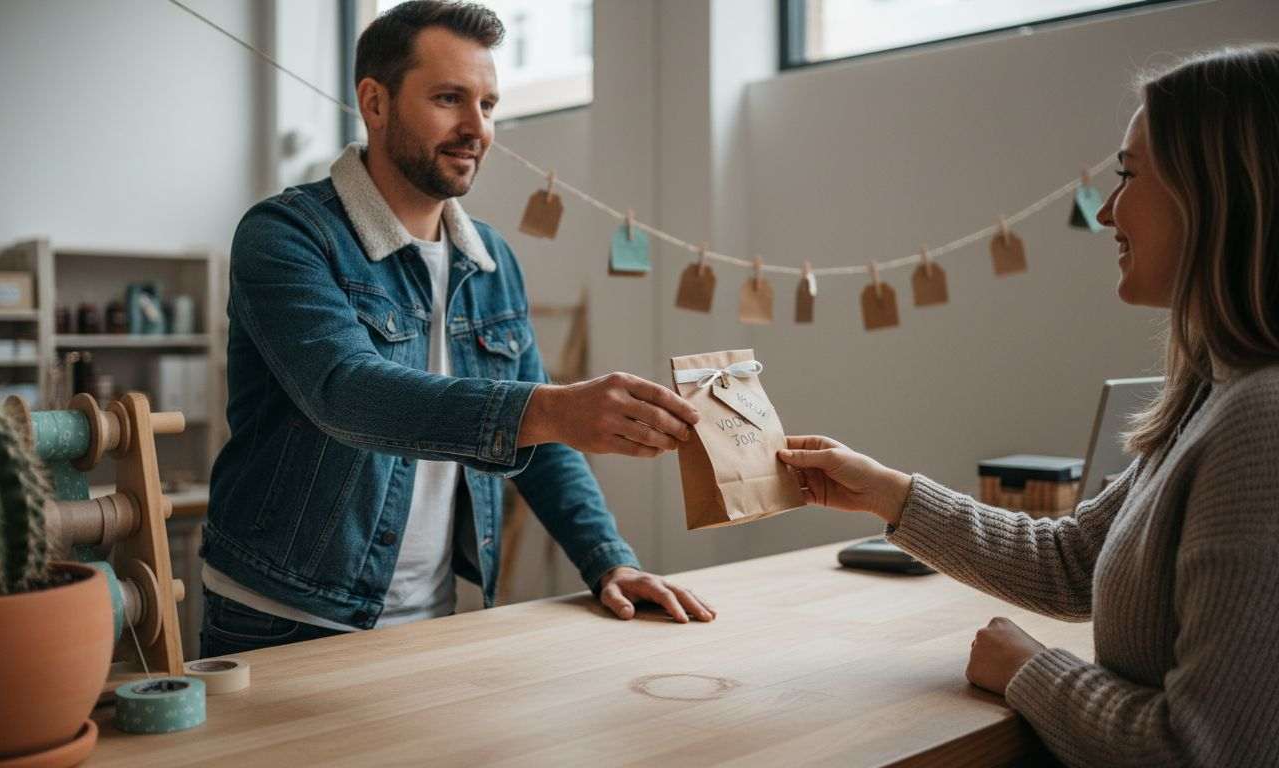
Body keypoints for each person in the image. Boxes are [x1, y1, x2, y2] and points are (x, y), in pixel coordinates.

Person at [779, 46, 1279, 767]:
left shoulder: (1260, 423)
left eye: (1129, 175)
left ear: (1215, 193)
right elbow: (1075, 561)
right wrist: (888, 492)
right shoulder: (1215, 389)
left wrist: (1031, 671)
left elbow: (1199, 752)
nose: (1107, 209)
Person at [199, 0, 713, 657]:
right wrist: (548, 407)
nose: (477, 128)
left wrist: (609, 560)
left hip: (437, 615)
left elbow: (543, 442)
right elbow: (346, 393)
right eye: (449, 98)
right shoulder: (286, 235)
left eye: (489, 105)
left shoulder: (491, 261)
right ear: (375, 102)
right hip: (280, 616)